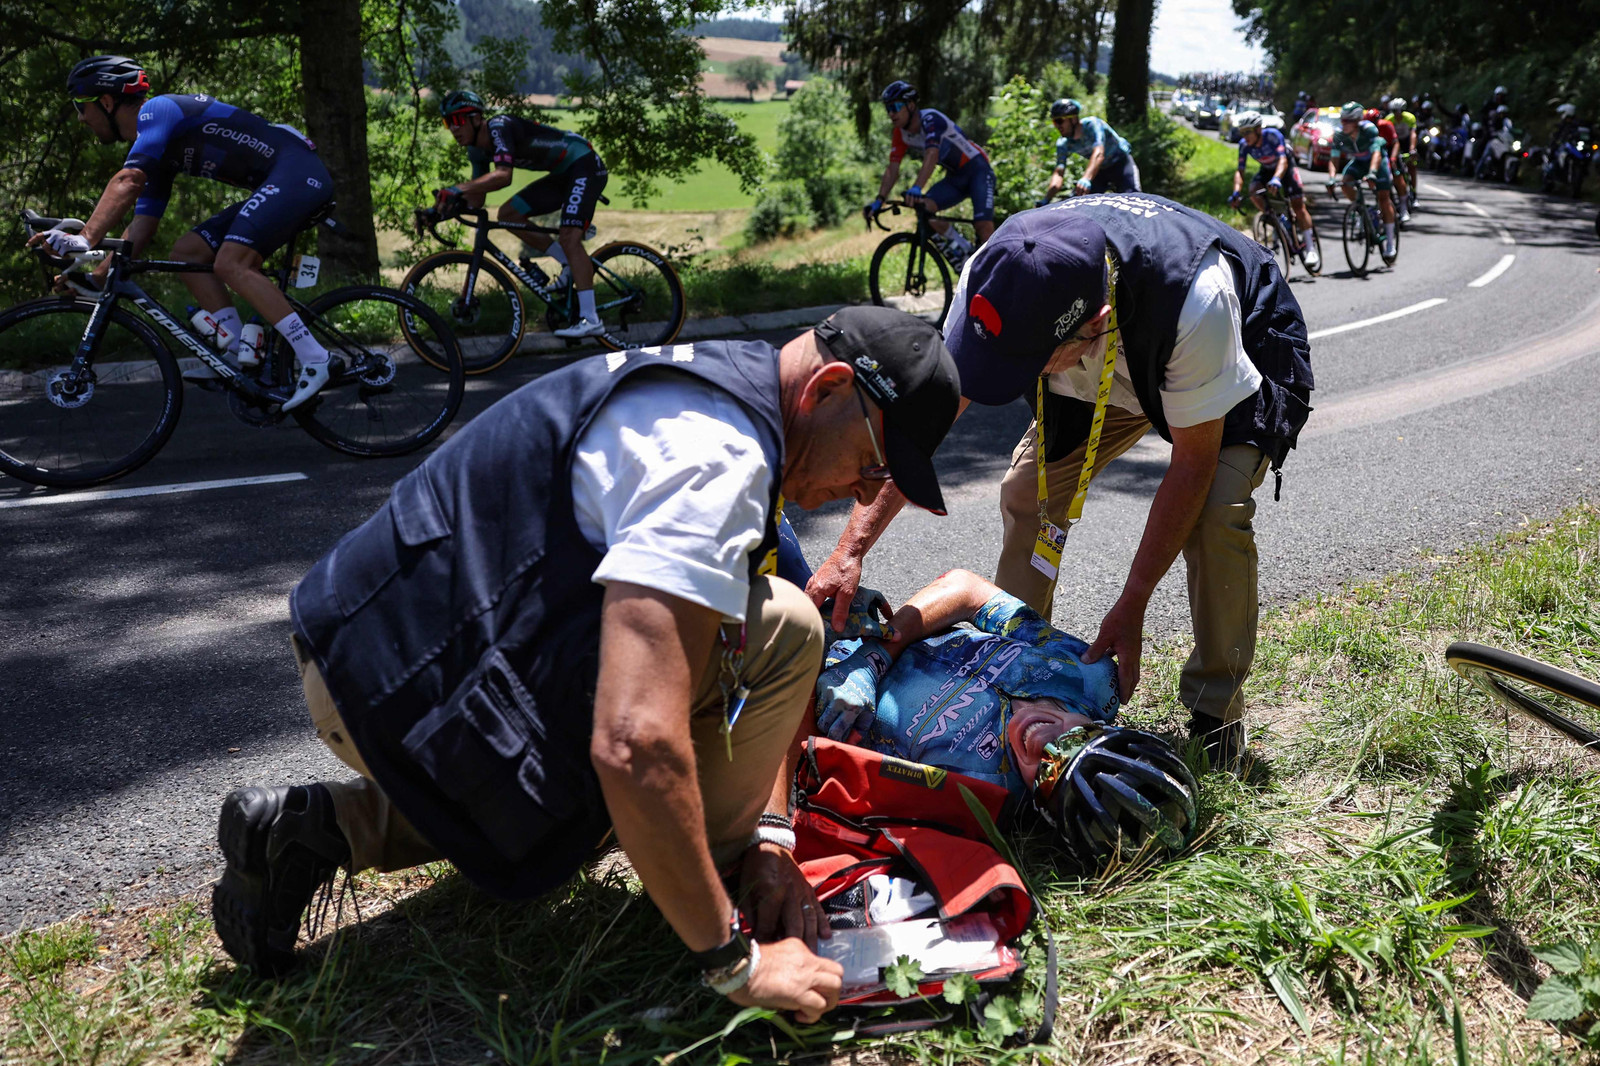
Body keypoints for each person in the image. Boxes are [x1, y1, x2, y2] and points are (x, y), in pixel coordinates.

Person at [209, 306, 964, 1024]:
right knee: (634, 788)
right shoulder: (717, 459)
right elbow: (634, 743)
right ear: (827, 389)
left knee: (783, 624)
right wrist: (735, 964)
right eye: (873, 464)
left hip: (389, 645)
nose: (865, 492)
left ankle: (323, 828)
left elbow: (732, 638)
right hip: (391, 683)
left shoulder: (734, 391)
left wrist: (771, 836)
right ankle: (706, 906)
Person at [808, 195, 1313, 770]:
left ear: (1093, 326)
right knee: (1027, 493)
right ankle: (1010, 667)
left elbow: (1192, 465)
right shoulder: (996, 277)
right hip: (1101, 368)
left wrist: (1133, 602)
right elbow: (923, 427)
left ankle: (1216, 714)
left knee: (1215, 512)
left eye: (1023, 362)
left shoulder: (1197, 300)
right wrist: (850, 550)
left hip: (1228, 350)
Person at [813, 568, 1198, 864]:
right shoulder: (1088, 676)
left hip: (806, 670)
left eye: (1049, 775)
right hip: (872, 630)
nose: (1043, 744)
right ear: (1103, 727)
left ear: (1046, 814)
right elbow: (967, 589)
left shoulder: (975, 794)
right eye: (1076, 740)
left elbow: (823, 761)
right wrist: (875, 654)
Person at [29, 56, 337, 410]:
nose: (81, 119)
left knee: (231, 263)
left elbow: (129, 180)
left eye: (81, 107)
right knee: (188, 252)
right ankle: (237, 354)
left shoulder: (157, 111)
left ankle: (316, 358)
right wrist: (97, 279)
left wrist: (83, 238)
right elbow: (142, 227)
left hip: (297, 175)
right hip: (284, 180)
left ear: (107, 102)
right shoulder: (156, 148)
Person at [435, 90, 610, 338]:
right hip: (563, 174)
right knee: (509, 214)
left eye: (458, 120)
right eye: (447, 122)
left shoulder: (498, 127)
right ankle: (568, 263)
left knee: (569, 237)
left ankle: (591, 319)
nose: (453, 128)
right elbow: (476, 200)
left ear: (476, 118)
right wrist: (439, 211)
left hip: (584, 164)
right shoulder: (476, 151)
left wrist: (456, 189)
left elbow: (503, 176)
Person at [864, 80, 996, 267]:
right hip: (955, 178)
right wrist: (879, 200)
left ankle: (999, 271)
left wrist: (917, 187)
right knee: (926, 209)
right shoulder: (900, 133)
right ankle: (964, 250)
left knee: (983, 225)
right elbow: (893, 168)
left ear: (911, 105)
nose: (891, 113)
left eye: (895, 107)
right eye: (888, 109)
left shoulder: (931, 119)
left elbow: (932, 154)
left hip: (978, 170)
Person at [1228, 110, 1320, 271]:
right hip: (1267, 169)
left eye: (1247, 132)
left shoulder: (1272, 135)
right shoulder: (1244, 145)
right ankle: (1277, 218)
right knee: (1254, 191)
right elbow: (1240, 171)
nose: (1244, 136)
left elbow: (1283, 160)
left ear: (1258, 129)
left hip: (1286, 167)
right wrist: (1236, 192)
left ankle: (1311, 249)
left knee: (1298, 205)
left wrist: (1277, 179)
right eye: (1242, 132)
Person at [1327, 102, 1398, 259]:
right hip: (1359, 162)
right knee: (1345, 184)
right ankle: (1362, 209)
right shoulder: (1339, 135)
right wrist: (1331, 178)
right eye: (1343, 120)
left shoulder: (1369, 130)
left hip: (1377, 163)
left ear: (1358, 121)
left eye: (1348, 121)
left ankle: (1390, 242)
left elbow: (1376, 153)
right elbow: (1334, 159)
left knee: (1384, 198)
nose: (1344, 124)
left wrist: (1372, 173)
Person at [1042, 99, 1141, 201]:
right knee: (1079, 200)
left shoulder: (1093, 125)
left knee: (1134, 199)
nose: (1058, 126)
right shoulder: (1064, 143)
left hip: (1121, 163)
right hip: (1100, 170)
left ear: (1073, 119)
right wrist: (1046, 200)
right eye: (1054, 122)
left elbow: (1099, 153)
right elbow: (1059, 173)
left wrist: (1086, 178)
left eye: (1059, 121)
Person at [1365, 108, 1412, 224]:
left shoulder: (1386, 125)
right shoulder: (1366, 130)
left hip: (1390, 151)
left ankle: (1404, 208)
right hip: (1376, 153)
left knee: (1398, 177)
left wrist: (1393, 159)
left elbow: (1396, 143)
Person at [1388, 97, 1419, 202]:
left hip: (1407, 142)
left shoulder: (1410, 118)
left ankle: (1414, 193)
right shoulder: (1389, 119)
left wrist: (1412, 149)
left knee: (1412, 166)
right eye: (1394, 111)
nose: (1397, 114)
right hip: (1394, 143)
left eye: (1399, 111)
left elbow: (1413, 134)